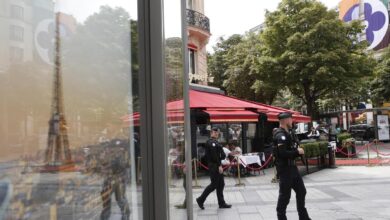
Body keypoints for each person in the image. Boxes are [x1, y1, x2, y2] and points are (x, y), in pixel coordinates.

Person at [273, 112, 311, 220]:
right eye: (290, 119)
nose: (292, 121)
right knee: (285, 197)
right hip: (285, 170)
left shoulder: (288, 133)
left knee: (301, 191)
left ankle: (303, 217)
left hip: (292, 168)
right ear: (285, 120)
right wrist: (297, 152)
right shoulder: (280, 135)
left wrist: (296, 150)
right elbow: (282, 153)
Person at [196, 127, 232, 209]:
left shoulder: (216, 142)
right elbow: (214, 156)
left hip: (217, 165)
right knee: (213, 185)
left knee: (221, 184)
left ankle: (221, 203)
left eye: (217, 132)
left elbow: (222, 155)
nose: (216, 133)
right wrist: (219, 165)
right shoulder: (211, 142)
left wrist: (220, 156)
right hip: (214, 166)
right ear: (211, 133)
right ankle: (200, 199)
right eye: (214, 132)